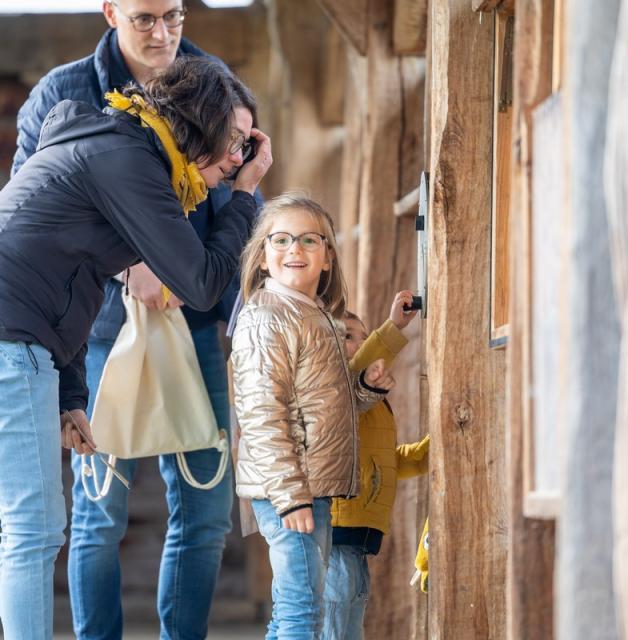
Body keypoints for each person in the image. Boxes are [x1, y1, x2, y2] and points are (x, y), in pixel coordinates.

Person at [11, 2, 261, 637]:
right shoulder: (126, 153)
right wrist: (245, 194)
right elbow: (201, 279)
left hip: (46, 341)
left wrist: (68, 394)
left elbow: (65, 272)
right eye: (229, 147)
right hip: (36, 342)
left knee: (36, 526)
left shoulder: (125, 137)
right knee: (38, 527)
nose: (232, 161)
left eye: (173, 15)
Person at [230, 193, 395, 639]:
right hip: (289, 488)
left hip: (310, 484)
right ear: (263, 257)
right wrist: (291, 495)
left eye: (308, 240)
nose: (294, 250)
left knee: (296, 608)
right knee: (303, 610)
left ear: (328, 257)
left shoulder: (315, 315)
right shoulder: (268, 318)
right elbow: (263, 414)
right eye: (280, 240)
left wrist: (365, 390)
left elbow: (323, 406)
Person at [321, 293, 430, 640]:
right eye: (349, 335)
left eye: (365, 336)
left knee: (347, 623)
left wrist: (431, 451)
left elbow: (383, 462)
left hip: (357, 536)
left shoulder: (373, 404)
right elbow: (354, 369)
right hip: (337, 535)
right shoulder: (333, 389)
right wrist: (395, 326)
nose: (361, 342)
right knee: (336, 626)